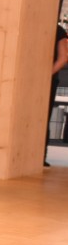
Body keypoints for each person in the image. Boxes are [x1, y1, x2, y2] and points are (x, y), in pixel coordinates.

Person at [45, 23, 68, 166]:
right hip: (49, 80)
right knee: (43, 117)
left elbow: (63, 59)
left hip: (38, 79)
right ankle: (40, 155)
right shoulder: (58, 30)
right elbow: (63, 58)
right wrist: (47, 75)